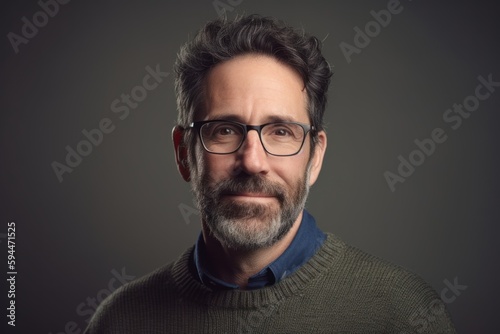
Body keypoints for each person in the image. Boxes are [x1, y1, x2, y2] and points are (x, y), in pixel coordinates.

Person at [84, 14, 456, 333]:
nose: (252, 161)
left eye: (281, 132)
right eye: (225, 130)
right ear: (184, 153)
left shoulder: (402, 315)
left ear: (315, 157)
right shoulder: (121, 320)